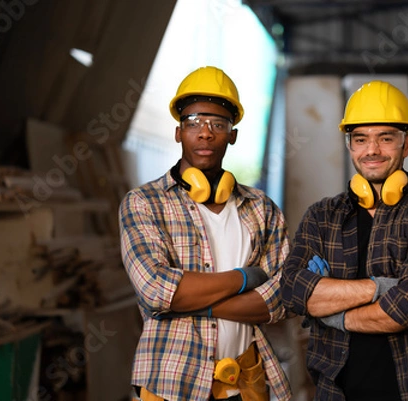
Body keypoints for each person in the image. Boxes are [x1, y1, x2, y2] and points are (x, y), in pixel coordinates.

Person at [279, 80, 408, 401]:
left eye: (385, 138)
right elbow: (293, 291)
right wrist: (381, 288)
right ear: (350, 146)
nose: (372, 150)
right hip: (336, 391)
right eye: (360, 139)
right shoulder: (322, 216)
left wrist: (329, 312)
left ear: (406, 145)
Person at [119, 66, 291, 401]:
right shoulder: (144, 203)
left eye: (218, 124)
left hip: (245, 382)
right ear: (178, 132)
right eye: (194, 122)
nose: (205, 133)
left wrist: (188, 302)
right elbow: (156, 290)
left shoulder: (261, 208)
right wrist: (245, 278)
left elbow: (282, 299)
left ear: (232, 135)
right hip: (171, 382)